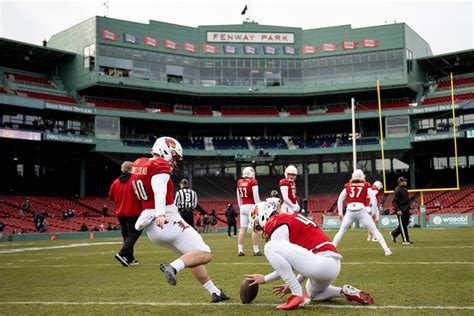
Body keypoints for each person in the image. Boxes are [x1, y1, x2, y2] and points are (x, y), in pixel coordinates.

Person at [131, 136, 229, 303]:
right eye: (174, 156)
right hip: (167, 219)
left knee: (192, 256)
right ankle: (173, 268)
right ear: (165, 150)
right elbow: (159, 191)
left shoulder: (139, 163)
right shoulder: (159, 164)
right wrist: (161, 214)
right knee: (205, 254)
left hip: (151, 226)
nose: (175, 161)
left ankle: (214, 292)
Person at [245, 202, 375, 311]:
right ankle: (343, 291)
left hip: (320, 263)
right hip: (331, 265)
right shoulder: (290, 216)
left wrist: (265, 278)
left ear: (262, 215)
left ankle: (297, 295)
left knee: (270, 247)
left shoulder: (275, 221)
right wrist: (292, 283)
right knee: (313, 294)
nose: (261, 229)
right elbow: (302, 260)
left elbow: (289, 263)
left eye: (258, 225)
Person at [332, 170, 392, 256]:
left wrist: (340, 213)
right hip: (361, 210)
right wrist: (374, 212)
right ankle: (386, 250)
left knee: (341, 231)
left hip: (350, 210)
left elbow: (340, 199)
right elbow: (373, 198)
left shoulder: (348, 186)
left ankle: (331, 249)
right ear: (362, 176)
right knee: (375, 230)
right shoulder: (366, 185)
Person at [109, 160, 143, 267]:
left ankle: (129, 258)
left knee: (126, 236)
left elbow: (111, 196)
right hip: (133, 212)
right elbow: (141, 195)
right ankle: (122, 253)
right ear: (130, 169)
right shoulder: (135, 180)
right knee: (134, 234)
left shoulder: (115, 182)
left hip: (120, 213)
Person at [236, 166, 263, 256]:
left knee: (242, 229)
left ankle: (240, 250)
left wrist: (241, 208)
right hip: (251, 206)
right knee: (255, 229)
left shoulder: (239, 182)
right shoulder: (253, 182)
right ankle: (256, 250)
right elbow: (256, 197)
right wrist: (259, 207)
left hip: (243, 206)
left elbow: (238, 197)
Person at [391, 177, 412, 244]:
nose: (406, 182)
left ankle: (394, 233)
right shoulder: (397, 190)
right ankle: (405, 240)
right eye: (404, 181)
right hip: (401, 210)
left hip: (406, 209)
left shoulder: (404, 189)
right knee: (403, 225)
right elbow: (394, 201)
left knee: (405, 224)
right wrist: (398, 209)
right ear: (400, 182)